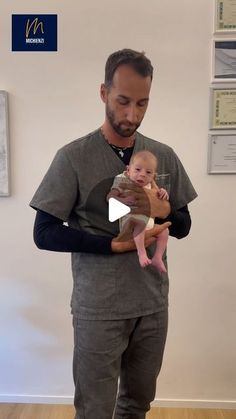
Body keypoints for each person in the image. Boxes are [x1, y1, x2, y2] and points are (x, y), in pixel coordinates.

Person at [30, 48, 197, 419]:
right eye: (123, 101)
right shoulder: (73, 157)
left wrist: (163, 209)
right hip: (98, 308)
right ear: (104, 93)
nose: (131, 115)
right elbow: (43, 233)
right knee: (94, 410)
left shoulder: (162, 156)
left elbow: (183, 226)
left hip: (152, 306)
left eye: (142, 104)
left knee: (137, 405)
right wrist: (112, 245)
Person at [107, 150, 169, 272]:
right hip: (131, 223)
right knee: (140, 222)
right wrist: (123, 200)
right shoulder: (122, 179)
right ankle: (141, 253)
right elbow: (110, 197)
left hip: (148, 223)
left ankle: (157, 257)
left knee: (164, 231)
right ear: (128, 169)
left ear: (154, 176)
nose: (142, 175)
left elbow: (159, 198)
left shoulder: (150, 183)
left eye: (148, 172)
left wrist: (163, 193)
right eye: (137, 170)